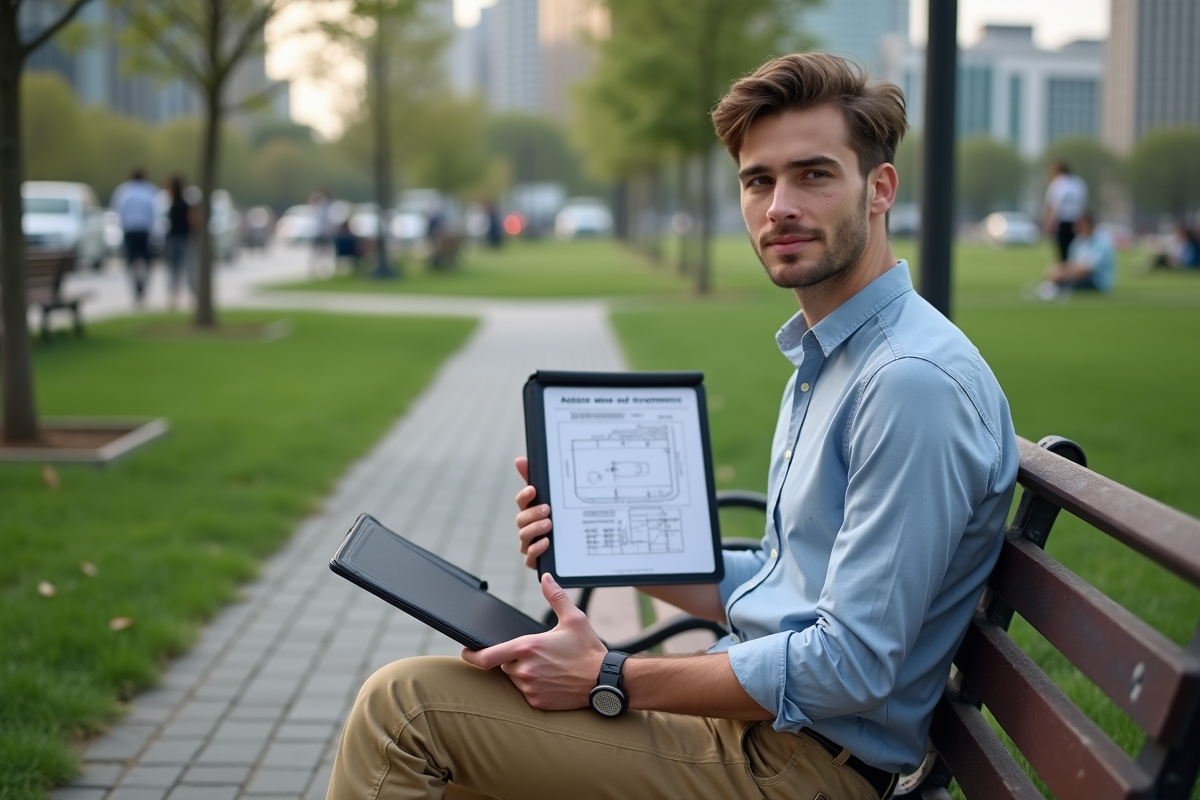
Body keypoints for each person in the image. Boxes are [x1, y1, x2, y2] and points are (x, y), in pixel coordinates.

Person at [326, 53, 1019, 800]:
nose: (779, 205)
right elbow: (781, 586)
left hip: (799, 770)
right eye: (759, 180)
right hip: (760, 738)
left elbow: (850, 664)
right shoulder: (839, 357)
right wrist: (601, 543)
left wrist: (610, 676)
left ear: (879, 189)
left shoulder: (908, 384)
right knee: (456, 751)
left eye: (813, 175)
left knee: (405, 712)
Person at [1035, 213, 1116, 300]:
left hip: (1097, 281)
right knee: (1058, 275)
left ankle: (1054, 290)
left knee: (1070, 283)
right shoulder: (1078, 241)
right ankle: (1050, 288)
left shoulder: (1102, 243)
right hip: (1077, 274)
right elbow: (1072, 263)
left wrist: (1066, 274)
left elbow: (1090, 269)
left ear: (1089, 224)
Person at [110, 168, 158, 307]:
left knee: (132, 262)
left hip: (130, 230)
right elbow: (154, 212)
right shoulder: (150, 191)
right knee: (147, 261)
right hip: (145, 230)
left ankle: (136, 285)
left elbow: (117, 211)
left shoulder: (123, 191)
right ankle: (143, 285)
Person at [1041, 161, 1088, 262]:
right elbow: (1081, 205)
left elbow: (1051, 206)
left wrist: (1048, 224)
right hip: (1076, 222)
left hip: (1061, 222)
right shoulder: (1079, 183)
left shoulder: (1057, 183)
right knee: (1074, 252)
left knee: (1062, 254)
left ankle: (1064, 273)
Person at [163, 176, 194, 309]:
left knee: (177, 268)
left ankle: (175, 295)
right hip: (181, 237)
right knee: (182, 267)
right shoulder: (182, 204)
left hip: (179, 238)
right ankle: (176, 294)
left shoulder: (177, 204)